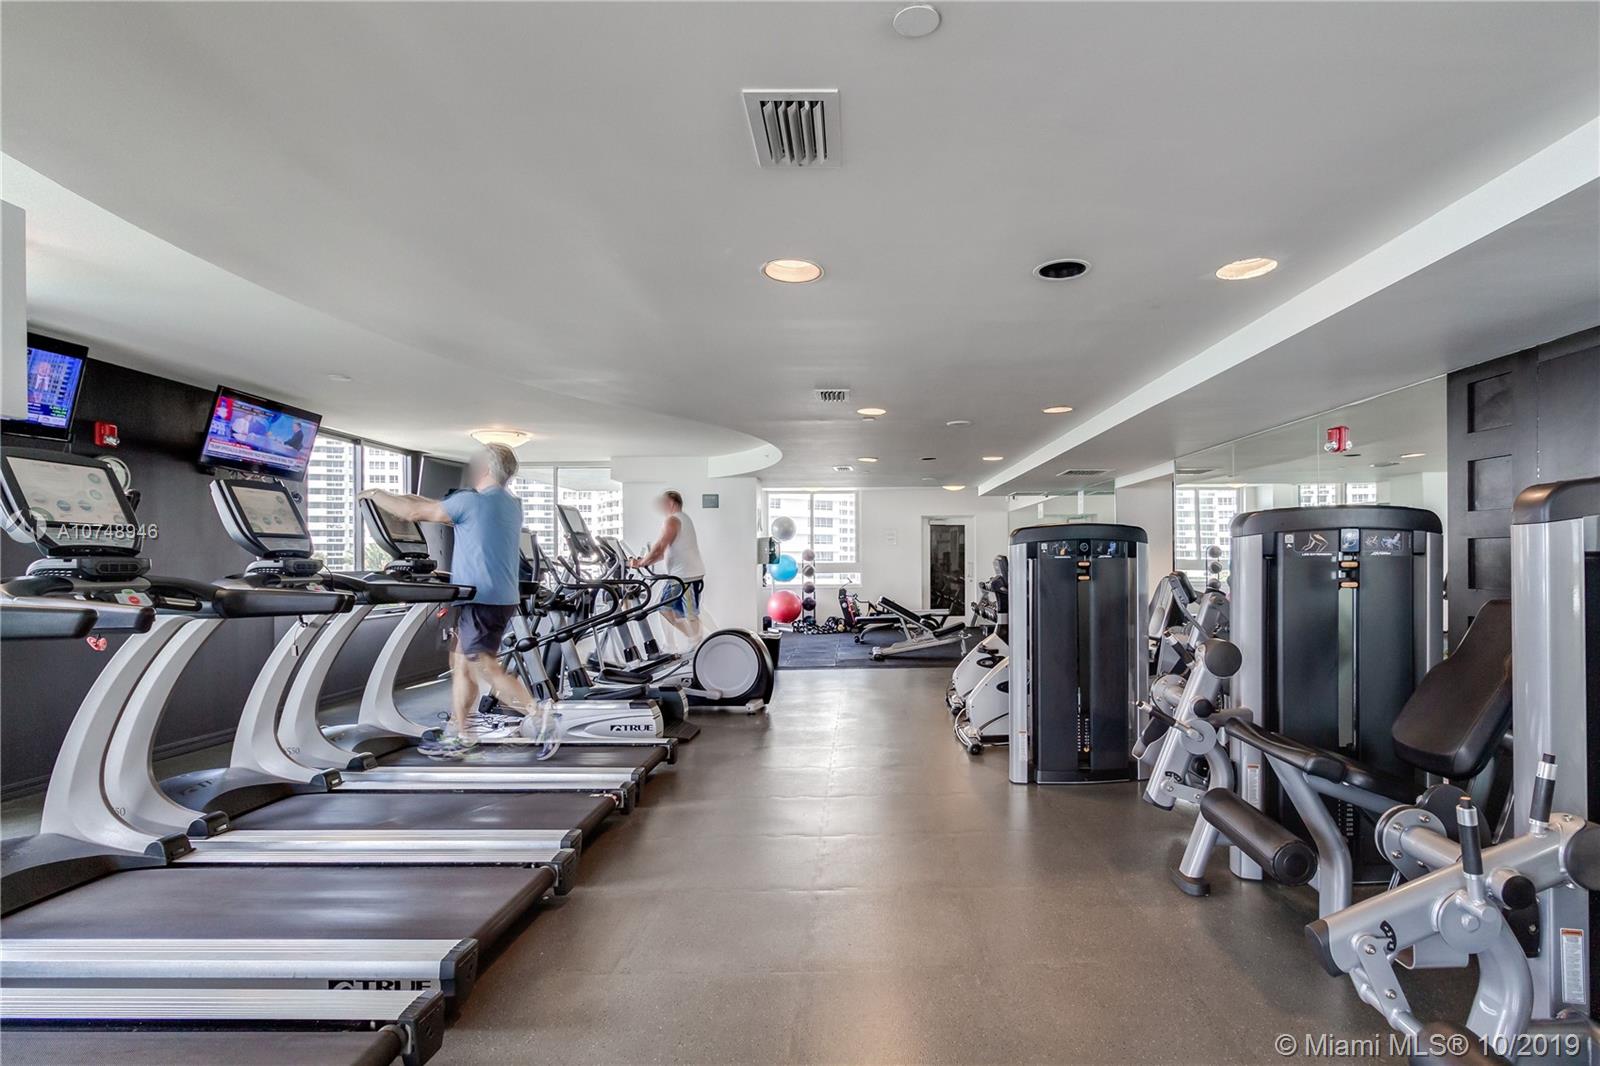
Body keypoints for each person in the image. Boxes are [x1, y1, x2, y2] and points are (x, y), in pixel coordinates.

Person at [359, 443, 556, 758]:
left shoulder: (471, 502)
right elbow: (430, 505)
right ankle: (461, 732)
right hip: (497, 596)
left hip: (481, 597)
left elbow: (413, 512)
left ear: (486, 469)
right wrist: (406, 496)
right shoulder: (508, 504)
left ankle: (539, 716)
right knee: (461, 664)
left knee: (485, 667)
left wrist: (374, 494)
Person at [629, 490, 707, 646]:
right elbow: (663, 553)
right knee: (672, 610)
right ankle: (692, 640)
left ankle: (696, 642)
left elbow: (660, 546)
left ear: (671, 503)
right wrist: (645, 561)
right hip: (685, 574)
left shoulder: (672, 520)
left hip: (685, 576)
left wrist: (641, 562)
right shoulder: (684, 518)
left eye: (664, 503)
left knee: (683, 612)